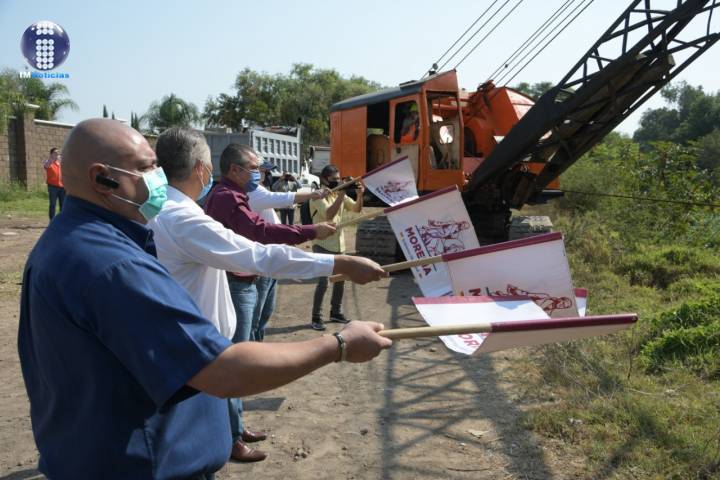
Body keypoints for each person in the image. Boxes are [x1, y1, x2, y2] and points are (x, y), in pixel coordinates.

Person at [17, 118, 391, 479]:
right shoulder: (115, 262)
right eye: (148, 168)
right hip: (139, 464)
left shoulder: (72, 240)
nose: (157, 177)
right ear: (103, 177)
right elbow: (223, 370)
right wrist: (339, 344)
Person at [203, 143, 338, 463]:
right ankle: (232, 439)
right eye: (254, 168)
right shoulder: (225, 197)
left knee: (245, 351)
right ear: (234, 170)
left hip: (246, 280)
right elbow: (259, 230)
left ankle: (236, 426)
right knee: (237, 360)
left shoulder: (234, 194)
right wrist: (310, 231)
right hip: (238, 283)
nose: (259, 174)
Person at [309, 165, 365, 331]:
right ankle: (316, 317)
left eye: (338, 179)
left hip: (339, 244)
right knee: (323, 282)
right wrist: (342, 193)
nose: (337, 182)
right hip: (322, 244)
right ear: (325, 179)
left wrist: (360, 195)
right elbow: (329, 214)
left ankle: (335, 312)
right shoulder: (317, 196)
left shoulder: (339, 194)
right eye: (334, 180)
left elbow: (356, 209)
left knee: (341, 280)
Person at [43, 147, 65, 219]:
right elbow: (46, 166)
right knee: (53, 204)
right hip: (53, 187)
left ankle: (62, 220)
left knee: (63, 205)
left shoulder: (61, 163)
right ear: (51, 154)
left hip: (62, 187)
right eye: (55, 153)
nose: (57, 154)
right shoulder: (48, 162)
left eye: (57, 153)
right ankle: (52, 220)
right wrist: (51, 159)